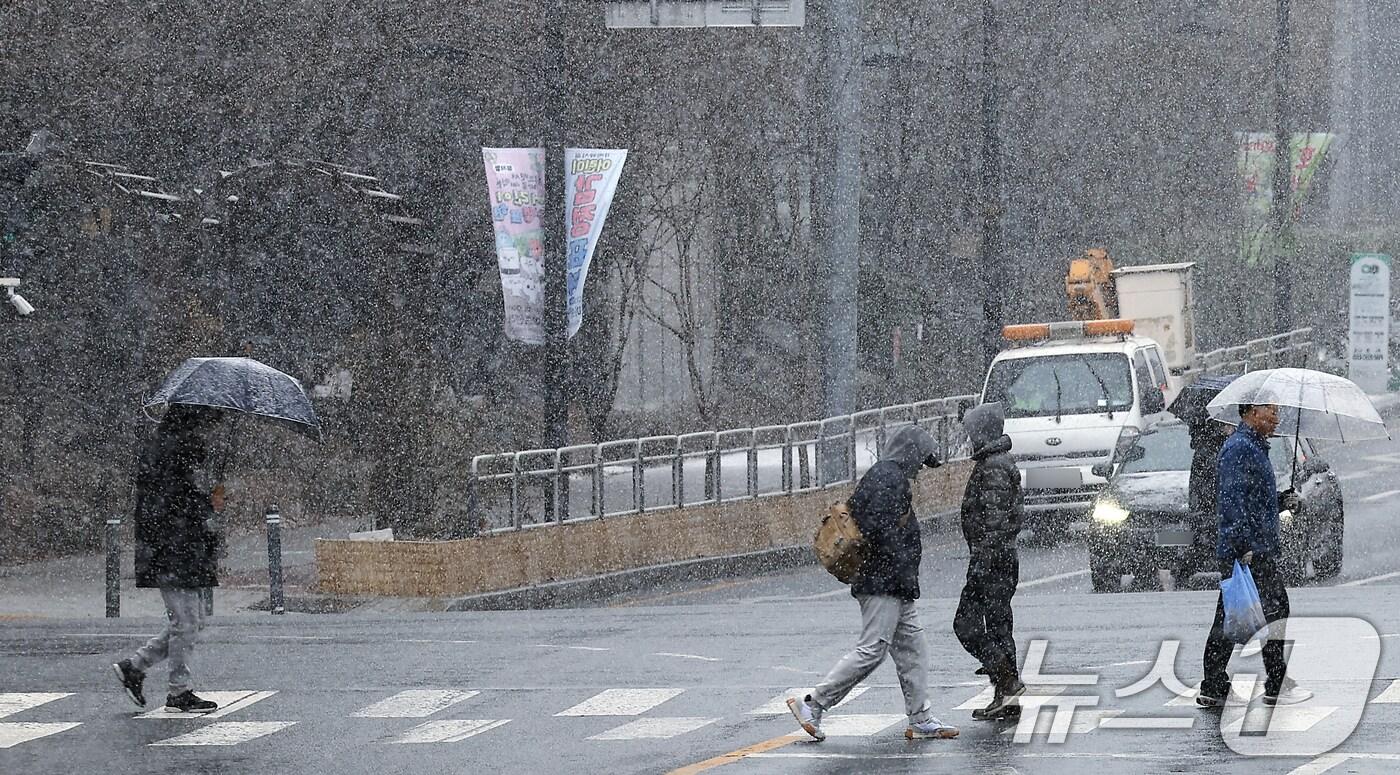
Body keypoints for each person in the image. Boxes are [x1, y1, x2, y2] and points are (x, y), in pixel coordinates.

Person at [787, 426, 960, 741]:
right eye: (920, 459)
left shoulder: (887, 476)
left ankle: (920, 717)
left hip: (894, 581)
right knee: (873, 649)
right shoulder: (887, 479)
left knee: (912, 649)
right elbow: (878, 528)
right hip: (883, 581)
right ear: (908, 453)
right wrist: (898, 559)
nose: (921, 467)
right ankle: (813, 704)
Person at [112, 406, 225, 713]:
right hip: (173, 550)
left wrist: (204, 501)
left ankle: (135, 666)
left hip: (176, 549)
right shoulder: (173, 453)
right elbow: (173, 505)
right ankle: (179, 691)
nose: (209, 433)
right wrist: (206, 503)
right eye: (207, 424)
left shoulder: (172, 450)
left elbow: (174, 501)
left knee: (192, 621)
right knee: (186, 622)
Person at [1197, 402, 1311, 708]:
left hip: (1254, 546)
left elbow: (1255, 500)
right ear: (1251, 413)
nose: (1276, 418)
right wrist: (1241, 545)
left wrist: (1283, 501)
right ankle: (1273, 681)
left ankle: (1217, 683)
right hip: (1248, 550)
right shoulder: (1239, 448)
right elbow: (1232, 500)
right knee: (1268, 610)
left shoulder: (1255, 447)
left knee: (1236, 614)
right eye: (1270, 412)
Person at [953, 402, 1026, 720]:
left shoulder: (993, 467)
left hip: (992, 560)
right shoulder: (995, 462)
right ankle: (1007, 697)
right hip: (999, 558)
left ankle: (1008, 681)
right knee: (999, 626)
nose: (968, 438)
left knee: (966, 625)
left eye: (971, 432)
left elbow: (994, 524)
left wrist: (981, 563)